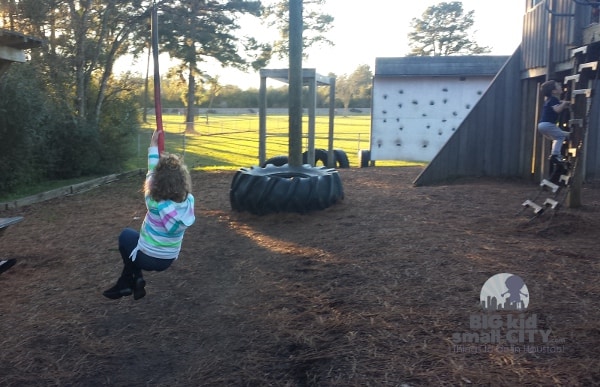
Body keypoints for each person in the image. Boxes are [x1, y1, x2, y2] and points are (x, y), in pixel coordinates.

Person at [103, 130, 195, 300]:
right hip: (167, 259)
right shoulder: (188, 201)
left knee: (125, 236)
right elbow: (156, 178)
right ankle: (126, 284)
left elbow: (151, 174)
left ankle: (135, 278)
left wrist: (153, 147)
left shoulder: (153, 201)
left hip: (147, 257)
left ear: (157, 182)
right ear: (183, 180)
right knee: (134, 241)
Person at [538, 79, 570, 166]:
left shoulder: (550, 99)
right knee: (560, 136)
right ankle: (555, 155)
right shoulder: (553, 99)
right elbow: (557, 110)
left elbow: (559, 104)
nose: (561, 86)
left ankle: (556, 154)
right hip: (548, 124)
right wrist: (564, 104)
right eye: (558, 86)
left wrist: (564, 103)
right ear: (554, 91)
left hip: (542, 125)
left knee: (562, 136)